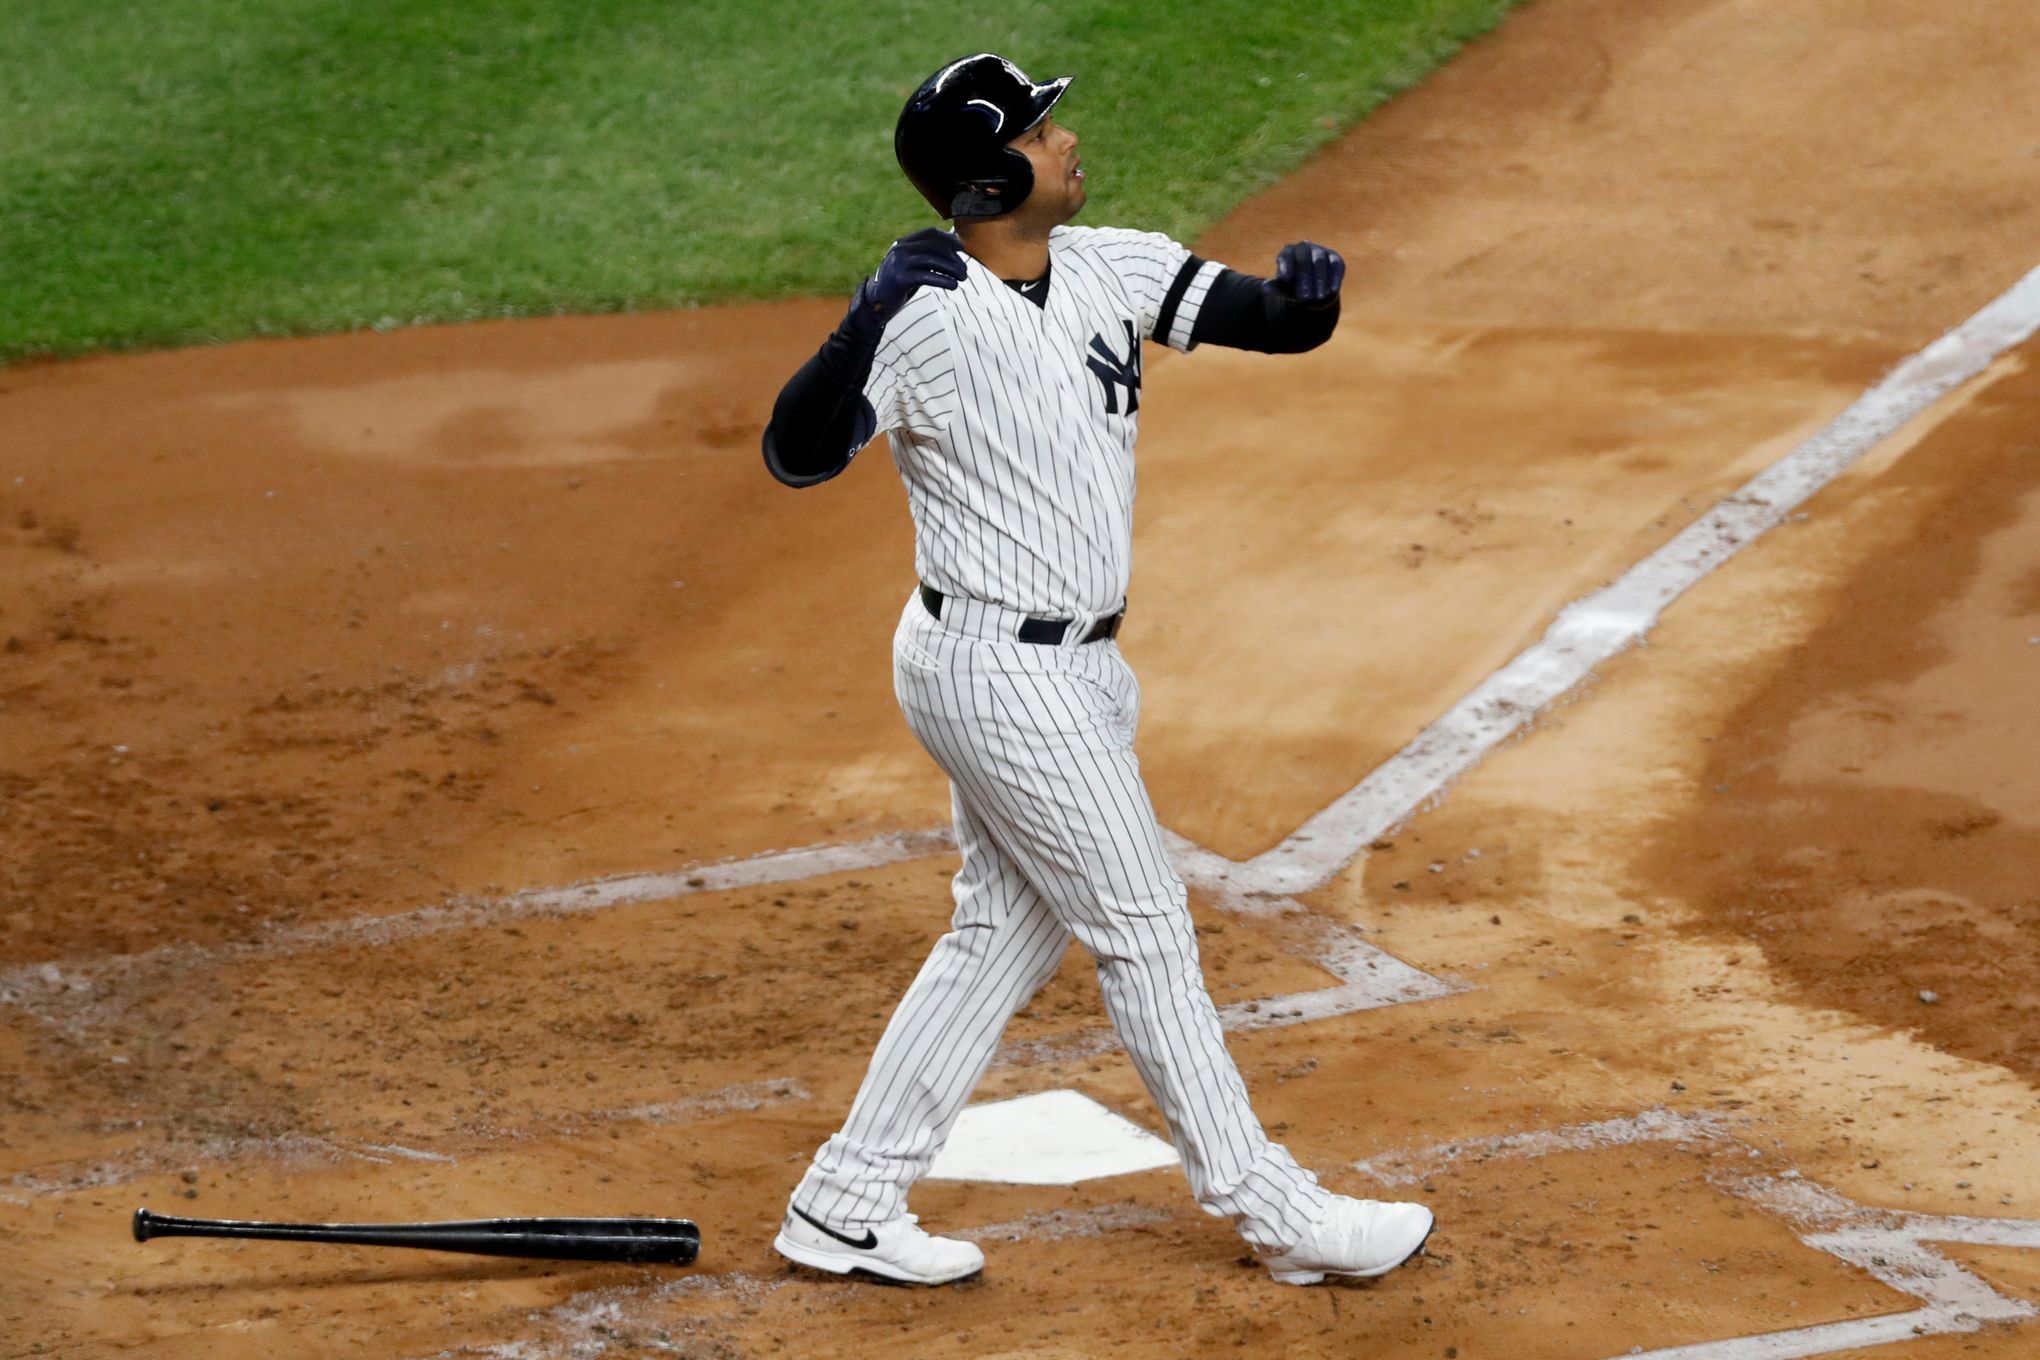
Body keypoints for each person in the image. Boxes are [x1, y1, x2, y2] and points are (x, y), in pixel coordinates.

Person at [758, 53, 1434, 1287]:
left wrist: (1309, 298)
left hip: (1079, 673)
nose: (1065, 139)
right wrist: (861, 318)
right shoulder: (928, 316)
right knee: (1144, 928)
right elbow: (796, 455)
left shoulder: (1112, 265)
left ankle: (845, 1199)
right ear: (990, 175)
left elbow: (1268, 322)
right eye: (1038, 129)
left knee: (1000, 934)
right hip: (992, 670)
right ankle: (1273, 1208)